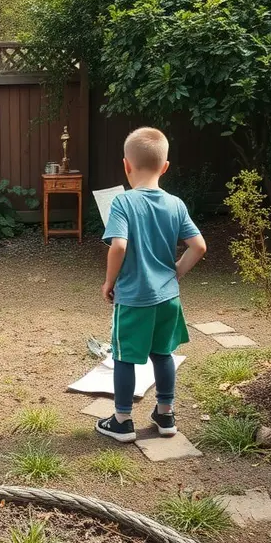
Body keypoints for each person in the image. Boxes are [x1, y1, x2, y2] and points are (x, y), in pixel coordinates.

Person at [97, 127, 207, 443]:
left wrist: (109, 281)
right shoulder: (176, 204)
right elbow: (198, 246)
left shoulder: (123, 202)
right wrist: (175, 272)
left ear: (126, 166)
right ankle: (166, 415)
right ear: (165, 167)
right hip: (167, 298)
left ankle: (121, 421)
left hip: (134, 298)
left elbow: (118, 246)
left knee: (124, 356)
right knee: (163, 354)